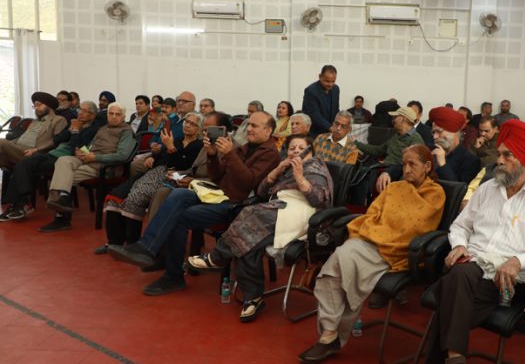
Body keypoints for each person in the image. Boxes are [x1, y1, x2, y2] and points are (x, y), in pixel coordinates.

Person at [426, 119, 525, 363]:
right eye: (500, 154)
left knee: (451, 288)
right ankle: (455, 356)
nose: (499, 160)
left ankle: (451, 356)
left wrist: (518, 261)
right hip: (470, 265)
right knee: (460, 274)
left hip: (506, 281)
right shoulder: (486, 189)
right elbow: (460, 226)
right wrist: (459, 244)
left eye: (508, 155)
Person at [298, 144, 446, 363]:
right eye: (404, 164)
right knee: (334, 268)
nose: (406, 169)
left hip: (397, 250)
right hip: (370, 240)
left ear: (426, 166)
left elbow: (417, 226)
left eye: (412, 164)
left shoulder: (435, 193)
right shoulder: (395, 187)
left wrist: (382, 232)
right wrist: (373, 231)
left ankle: (330, 337)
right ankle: (329, 335)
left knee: (340, 265)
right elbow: (373, 213)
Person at [108, 111, 280, 295]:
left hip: (237, 205)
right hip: (217, 194)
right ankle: (147, 248)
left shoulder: (270, 154)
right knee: (178, 194)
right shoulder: (246, 148)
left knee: (179, 216)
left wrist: (229, 154)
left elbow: (248, 182)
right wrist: (213, 155)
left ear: (268, 130)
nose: (249, 129)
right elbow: (217, 176)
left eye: (254, 126)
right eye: (249, 125)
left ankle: (172, 275)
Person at [187, 134, 333, 321]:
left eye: (300, 147)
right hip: (280, 209)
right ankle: (253, 298)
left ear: (310, 152)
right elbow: (262, 192)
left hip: (305, 214)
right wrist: (277, 171)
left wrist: (300, 178)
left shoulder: (316, 166)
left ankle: (217, 256)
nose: (295, 150)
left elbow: (320, 200)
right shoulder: (285, 167)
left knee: (251, 214)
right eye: (291, 148)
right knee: (249, 242)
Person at [97, 113, 204, 253]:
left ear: (200, 129)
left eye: (193, 124)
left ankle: (132, 244)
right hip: (156, 172)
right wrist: (153, 157)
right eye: (187, 122)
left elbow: (183, 165)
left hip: (175, 178)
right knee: (115, 197)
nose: (188, 125)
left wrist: (171, 148)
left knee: (135, 198)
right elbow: (164, 156)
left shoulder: (199, 146)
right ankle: (114, 242)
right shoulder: (177, 139)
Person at [40, 102, 136, 232]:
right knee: (63, 161)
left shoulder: (126, 131)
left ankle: (61, 216)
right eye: (111, 113)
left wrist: (96, 158)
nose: (113, 117)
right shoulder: (103, 128)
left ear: (124, 117)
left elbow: (123, 156)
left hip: (104, 166)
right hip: (87, 159)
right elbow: (91, 146)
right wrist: (82, 151)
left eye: (117, 114)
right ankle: (60, 202)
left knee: (63, 178)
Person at [0, 101, 102, 221]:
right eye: (80, 109)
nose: (81, 113)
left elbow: (77, 148)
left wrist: (75, 131)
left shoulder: (94, 129)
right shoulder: (75, 123)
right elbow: (58, 139)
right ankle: (19, 204)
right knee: (23, 164)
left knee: (25, 165)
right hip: (53, 153)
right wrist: (37, 149)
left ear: (93, 115)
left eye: (85, 111)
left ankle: (22, 205)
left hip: (64, 159)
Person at [356, 107, 425, 192]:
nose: (392, 120)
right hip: (385, 171)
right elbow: (377, 150)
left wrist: (389, 171)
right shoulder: (396, 136)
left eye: (395, 117)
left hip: (396, 178)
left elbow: (412, 168)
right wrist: (355, 143)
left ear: (403, 119)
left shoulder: (416, 140)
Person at [0, 92, 67, 168]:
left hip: (33, 152)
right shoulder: (35, 121)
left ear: (49, 105)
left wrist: (36, 149)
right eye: (34, 106)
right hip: (18, 148)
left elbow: (57, 141)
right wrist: (9, 143)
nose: (36, 108)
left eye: (39, 105)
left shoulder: (58, 120)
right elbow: (23, 137)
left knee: (1, 142)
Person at [429, 107, 480, 183]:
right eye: (433, 132)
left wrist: (443, 165)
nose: (435, 137)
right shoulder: (431, 152)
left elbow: (461, 192)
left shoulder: (470, 161)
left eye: (438, 132)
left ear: (454, 132)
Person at [302, 65, 340, 137]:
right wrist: (330, 127)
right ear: (320, 76)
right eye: (327, 81)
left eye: (333, 81)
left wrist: (338, 125)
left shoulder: (336, 89)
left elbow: (336, 109)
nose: (330, 84)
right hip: (315, 133)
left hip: (331, 132)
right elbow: (314, 114)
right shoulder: (311, 91)